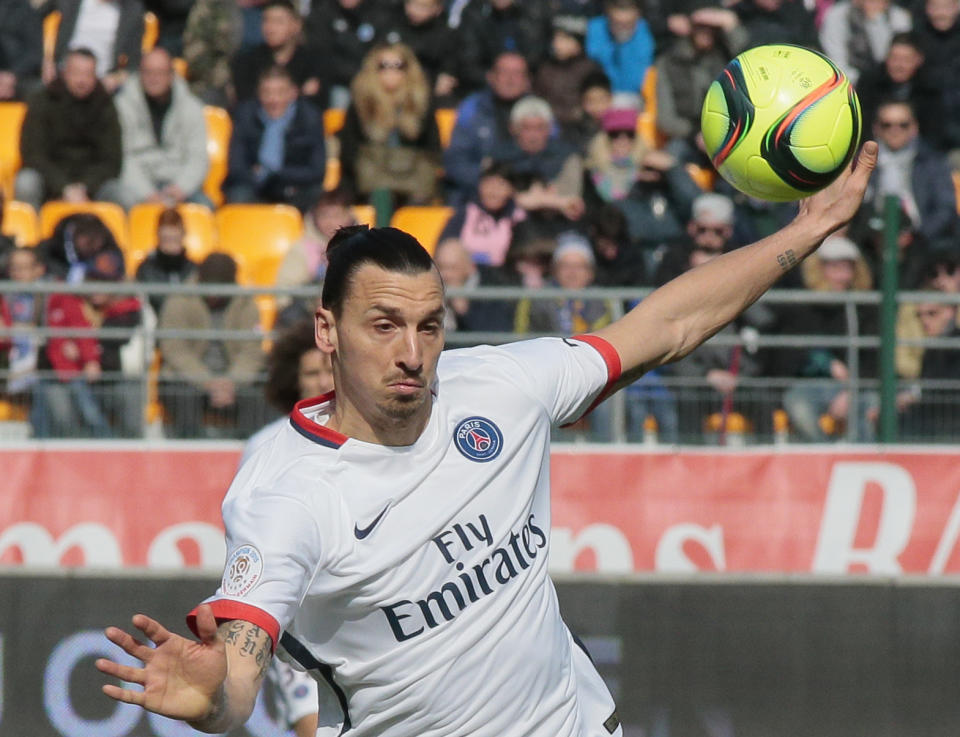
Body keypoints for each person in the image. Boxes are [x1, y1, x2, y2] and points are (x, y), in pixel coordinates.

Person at [97, 139, 877, 736]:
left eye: (429, 325)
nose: (412, 351)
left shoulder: (499, 386)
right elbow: (240, 665)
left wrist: (805, 231)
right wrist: (214, 703)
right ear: (327, 331)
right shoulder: (285, 490)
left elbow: (665, 326)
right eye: (385, 325)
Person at [157, 252, 266, 439]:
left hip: (234, 380)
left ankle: (253, 456)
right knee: (182, 400)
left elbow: (251, 351)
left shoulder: (246, 304)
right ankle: (191, 458)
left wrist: (232, 382)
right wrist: (207, 382)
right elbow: (174, 350)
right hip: (188, 379)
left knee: (262, 401)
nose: (214, 293)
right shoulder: (179, 300)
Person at [15, 48, 122, 212]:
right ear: (64, 73)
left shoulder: (106, 105)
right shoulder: (42, 100)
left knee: (123, 194)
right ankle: (30, 237)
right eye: (76, 73)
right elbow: (33, 154)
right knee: (26, 183)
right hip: (49, 179)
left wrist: (84, 187)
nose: (82, 80)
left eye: (88, 74)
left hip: (92, 184)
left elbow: (111, 161)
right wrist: (64, 187)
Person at [338, 43, 442, 205]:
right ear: (373, 69)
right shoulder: (361, 103)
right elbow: (349, 150)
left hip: (412, 176)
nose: (391, 72)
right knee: (379, 198)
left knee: (420, 201)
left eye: (398, 66)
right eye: (384, 66)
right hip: (372, 179)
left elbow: (432, 146)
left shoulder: (422, 102)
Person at [111, 47, 210, 210]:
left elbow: (198, 158)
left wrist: (180, 188)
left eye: (160, 72)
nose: (154, 78)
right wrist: (148, 194)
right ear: (140, 74)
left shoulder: (191, 108)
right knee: (122, 199)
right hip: (138, 184)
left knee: (204, 207)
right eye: (148, 72)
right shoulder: (122, 106)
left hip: (178, 184)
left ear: (171, 75)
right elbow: (123, 157)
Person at [225, 65, 326, 211]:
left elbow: (317, 170)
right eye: (267, 93)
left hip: (294, 186)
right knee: (238, 196)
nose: (274, 100)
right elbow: (236, 165)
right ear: (259, 94)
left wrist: (277, 173)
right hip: (254, 185)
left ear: (293, 93)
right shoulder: (245, 115)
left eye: (280, 92)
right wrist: (256, 175)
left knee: (316, 196)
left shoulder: (310, 118)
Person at [443, 51, 531, 205]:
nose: (510, 79)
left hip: (524, 195)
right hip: (475, 194)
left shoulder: (538, 111)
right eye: (504, 72)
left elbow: (550, 155)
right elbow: (455, 161)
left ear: (527, 80)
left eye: (517, 73)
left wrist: (514, 185)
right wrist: (488, 184)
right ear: (491, 76)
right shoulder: (472, 108)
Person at [232, 0, 324, 106]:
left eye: (278, 22)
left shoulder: (313, 62)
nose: (271, 28)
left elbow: (316, 102)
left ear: (296, 25)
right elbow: (244, 101)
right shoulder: (247, 61)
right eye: (266, 21)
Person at [45, 0, 146, 93]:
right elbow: (38, 20)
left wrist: (116, 79)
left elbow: (134, 62)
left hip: (103, 82)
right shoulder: (70, 3)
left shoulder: (132, 10)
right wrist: (47, 62)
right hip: (63, 75)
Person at [439, 160, 526, 267]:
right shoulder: (465, 214)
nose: (493, 191)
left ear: (511, 189)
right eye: (488, 184)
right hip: (468, 278)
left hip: (510, 278)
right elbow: (444, 249)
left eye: (500, 185)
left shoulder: (520, 217)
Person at [818, 0, 913, 86]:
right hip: (850, 84)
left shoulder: (899, 17)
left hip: (888, 83)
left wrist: (876, 21)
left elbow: (889, 57)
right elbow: (837, 61)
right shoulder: (838, 15)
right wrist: (862, 83)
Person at [585, 0, 656, 106]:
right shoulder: (596, 28)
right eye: (617, 22)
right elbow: (595, 63)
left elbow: (638, 77)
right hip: (602, 96)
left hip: (633, 96)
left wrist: (624, 44)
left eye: (628, 24)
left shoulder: (643, 30)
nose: (622, 26)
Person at [134, 207, 199, 314]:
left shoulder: (194, 270)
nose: (170, 247)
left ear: (183, 236)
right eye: (166, 240)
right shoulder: (145, 270)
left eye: (175, 240)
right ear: (158, 237)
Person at [181, 0, 244, 106]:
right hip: (205, 80)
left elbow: (232, 46)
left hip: (226, 79)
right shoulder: (204, 7)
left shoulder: (228, 7)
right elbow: (193, 53)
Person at [0, 0, 42, 100]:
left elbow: (34, 53)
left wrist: (12, 75)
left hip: (18, 75)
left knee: (38, 90)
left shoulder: (25, 10)